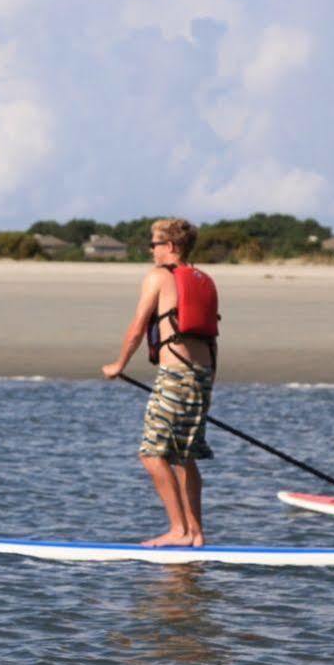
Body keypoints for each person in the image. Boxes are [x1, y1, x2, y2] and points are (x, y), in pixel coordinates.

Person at [101, 218, 220, 547]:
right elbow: (211, 340)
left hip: (175, 378)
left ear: (171, 247)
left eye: (154, 244)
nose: (150, 251)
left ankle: (178, 530)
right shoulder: (201, 280)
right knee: (184, 456)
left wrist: (118, 365)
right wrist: (204, 384)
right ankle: (196, 534)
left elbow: (138, 327)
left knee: (152, 454)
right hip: (202, 377)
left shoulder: (159, 277)